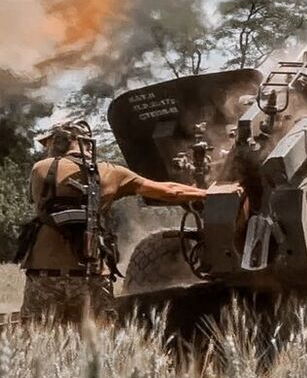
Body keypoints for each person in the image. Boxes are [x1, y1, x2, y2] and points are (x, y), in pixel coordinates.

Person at [17, 120, 207, 322]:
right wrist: (206, 193)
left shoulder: (39, 169)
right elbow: (170, 191)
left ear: (59, 142)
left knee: (35, 336)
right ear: (88, 144)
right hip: (92, 276)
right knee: (99, 343)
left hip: (43, 276)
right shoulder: (112, 172)